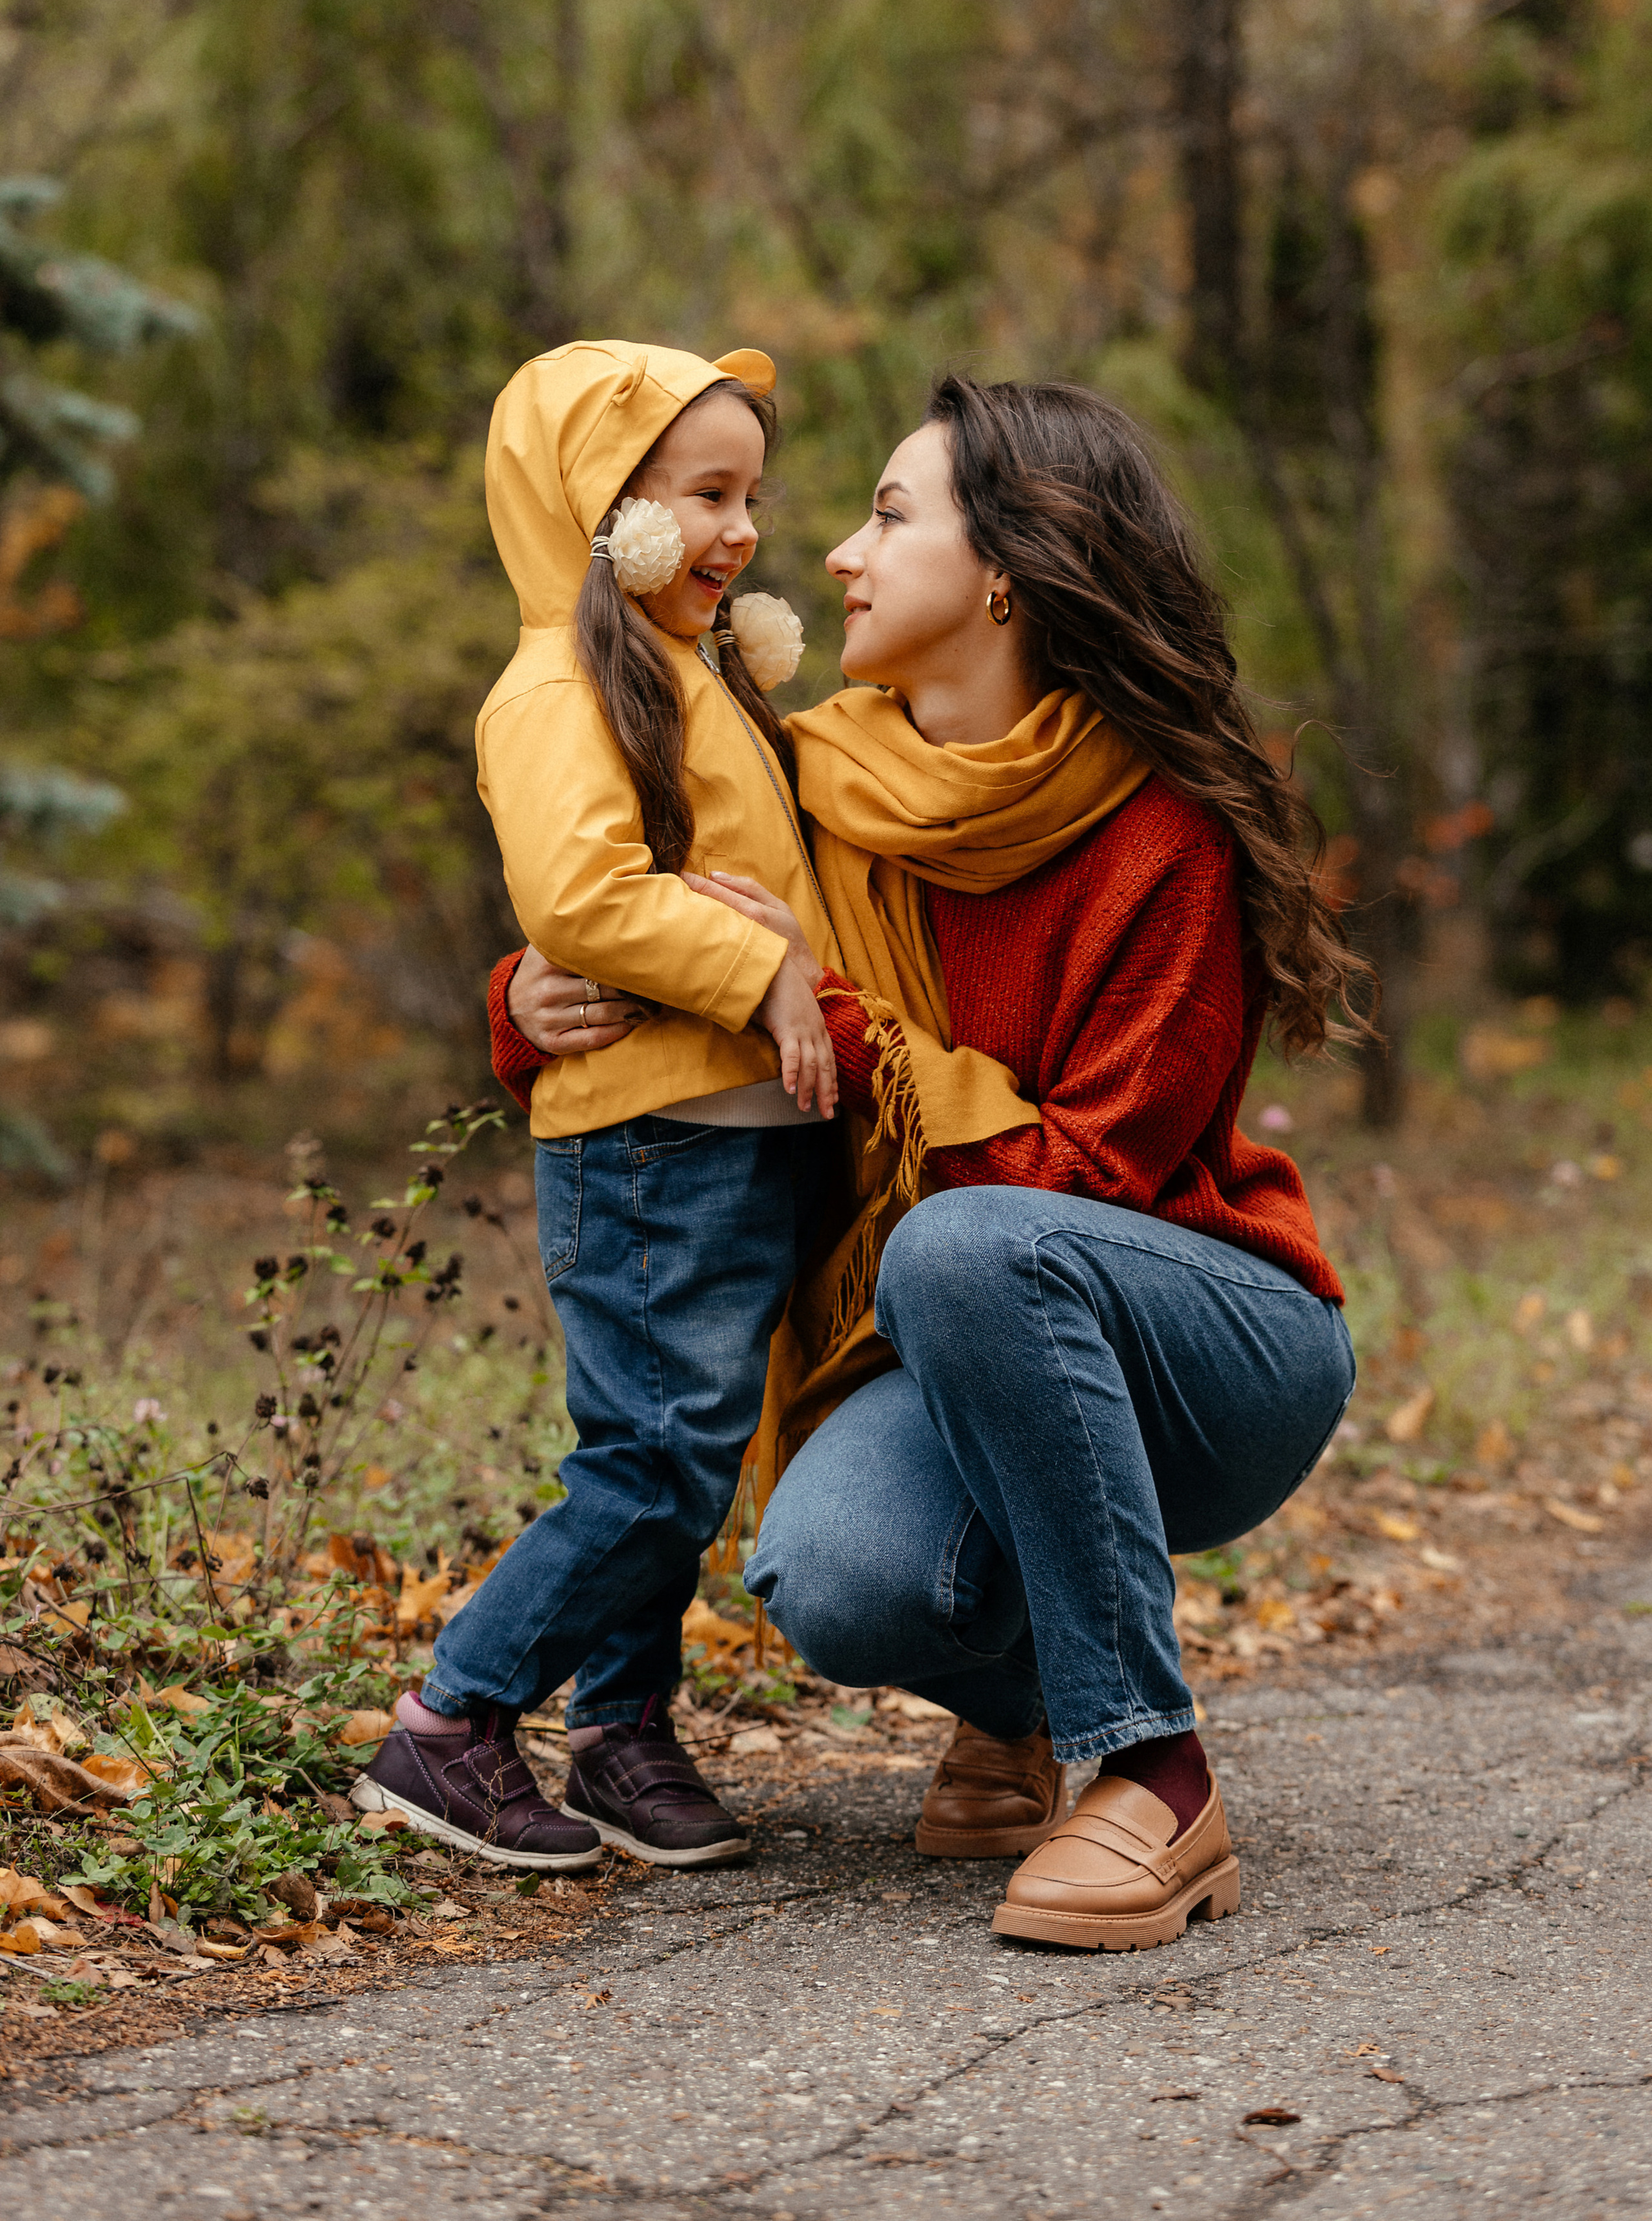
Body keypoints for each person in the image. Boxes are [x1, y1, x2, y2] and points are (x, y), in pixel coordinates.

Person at [499, 373, 1361, 1952]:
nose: (830, 551)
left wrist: (836, 1017)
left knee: (966, 1249)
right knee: (831, 1576)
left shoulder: (1162, 832)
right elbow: (645, 910)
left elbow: (1085, 1185)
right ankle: (1025, 1711)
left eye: (889, 516)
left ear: (1006, 575)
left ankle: (1149, 1774)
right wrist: (535, 997)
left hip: (1206, 1342)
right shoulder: (814, 783)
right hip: (950, 1326)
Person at [355, 339, 841, 1873]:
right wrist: (759, 976)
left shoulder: (699, 676)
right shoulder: (556, 684)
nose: (740, 530)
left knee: (679, 1445)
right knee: (654, 1456)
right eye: (702, 494)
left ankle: (623, 1729)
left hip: (730, 1127)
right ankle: (451, 1720)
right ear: (596, 508)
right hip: (649, 1136)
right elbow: (583, 892)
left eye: (749, 494)